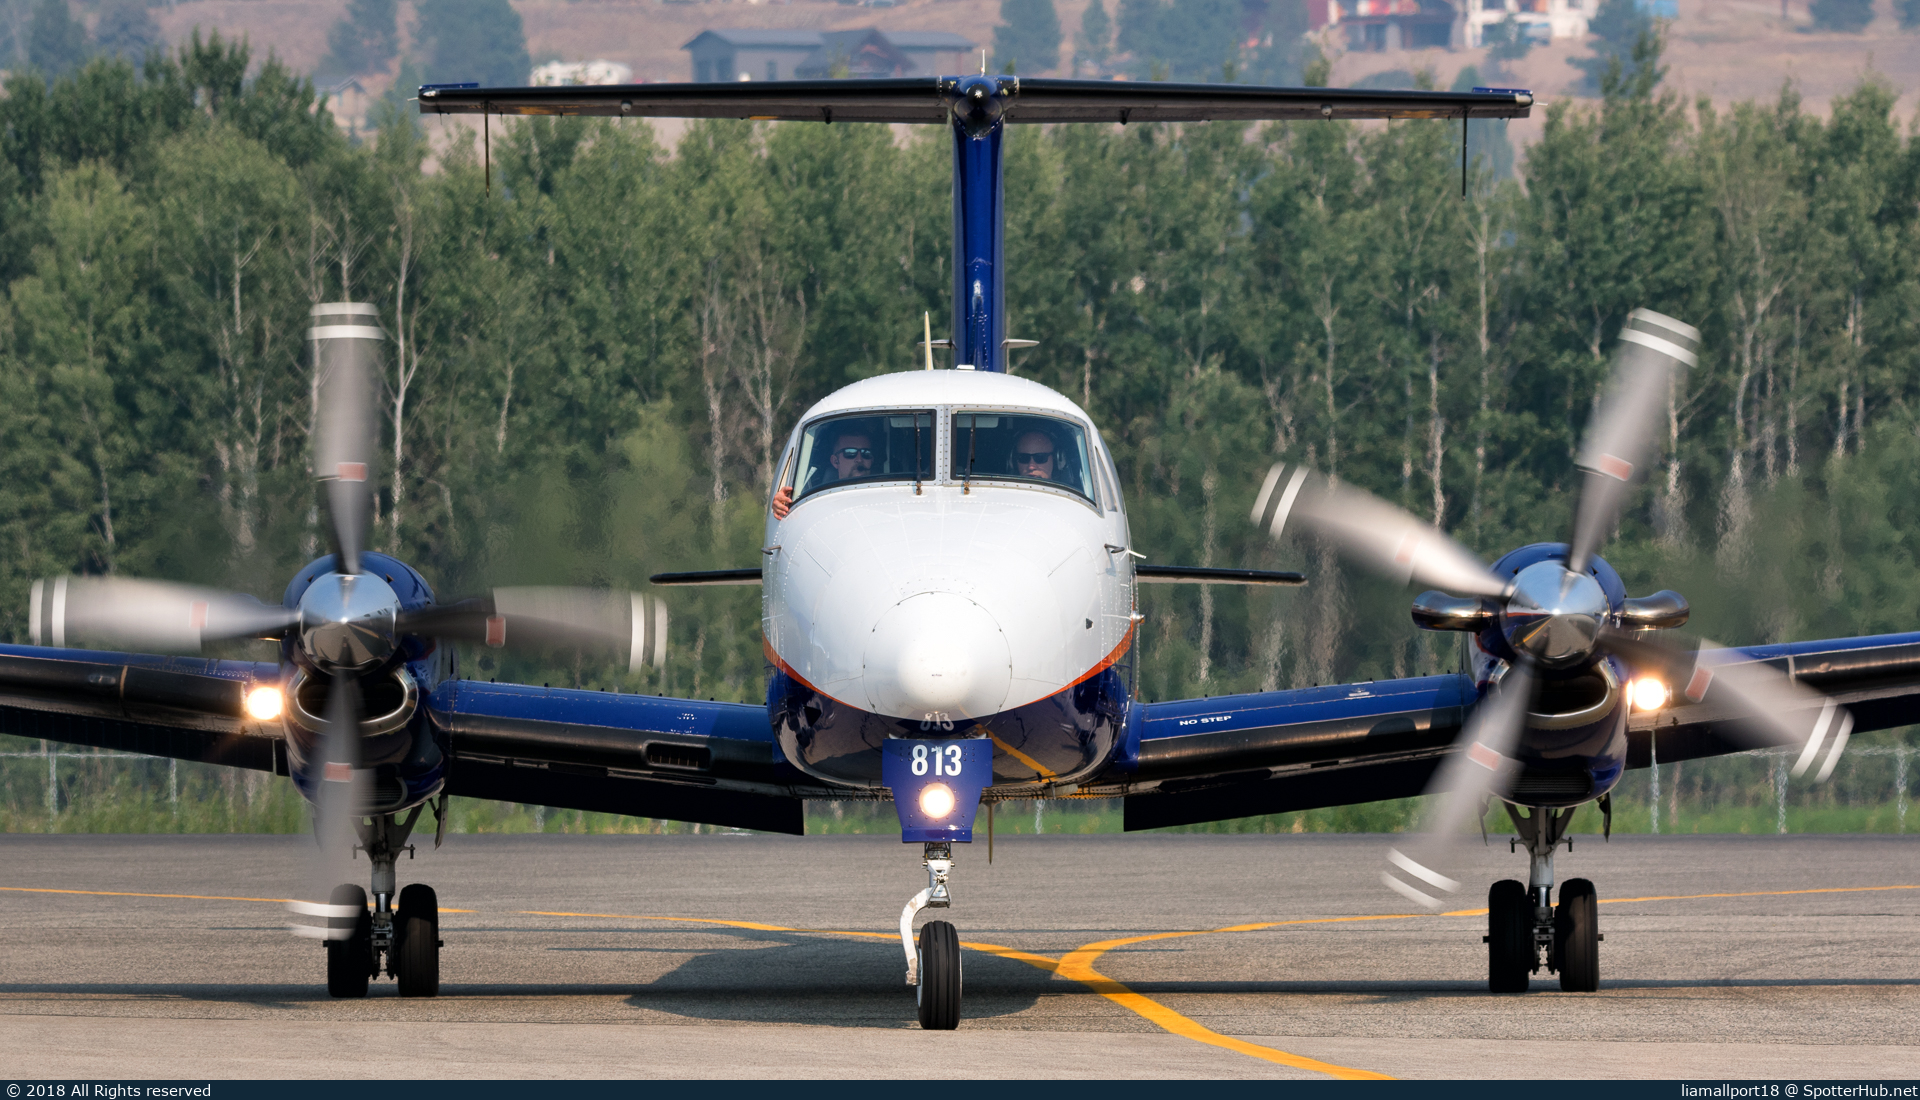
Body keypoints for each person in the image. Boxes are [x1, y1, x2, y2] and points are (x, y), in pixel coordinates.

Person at [771, 429, 873, 519]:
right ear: (835, 461)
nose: (859, 459)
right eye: (850, 453)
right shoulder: (813, 495)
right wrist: (780, 506)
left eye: (866, 453)